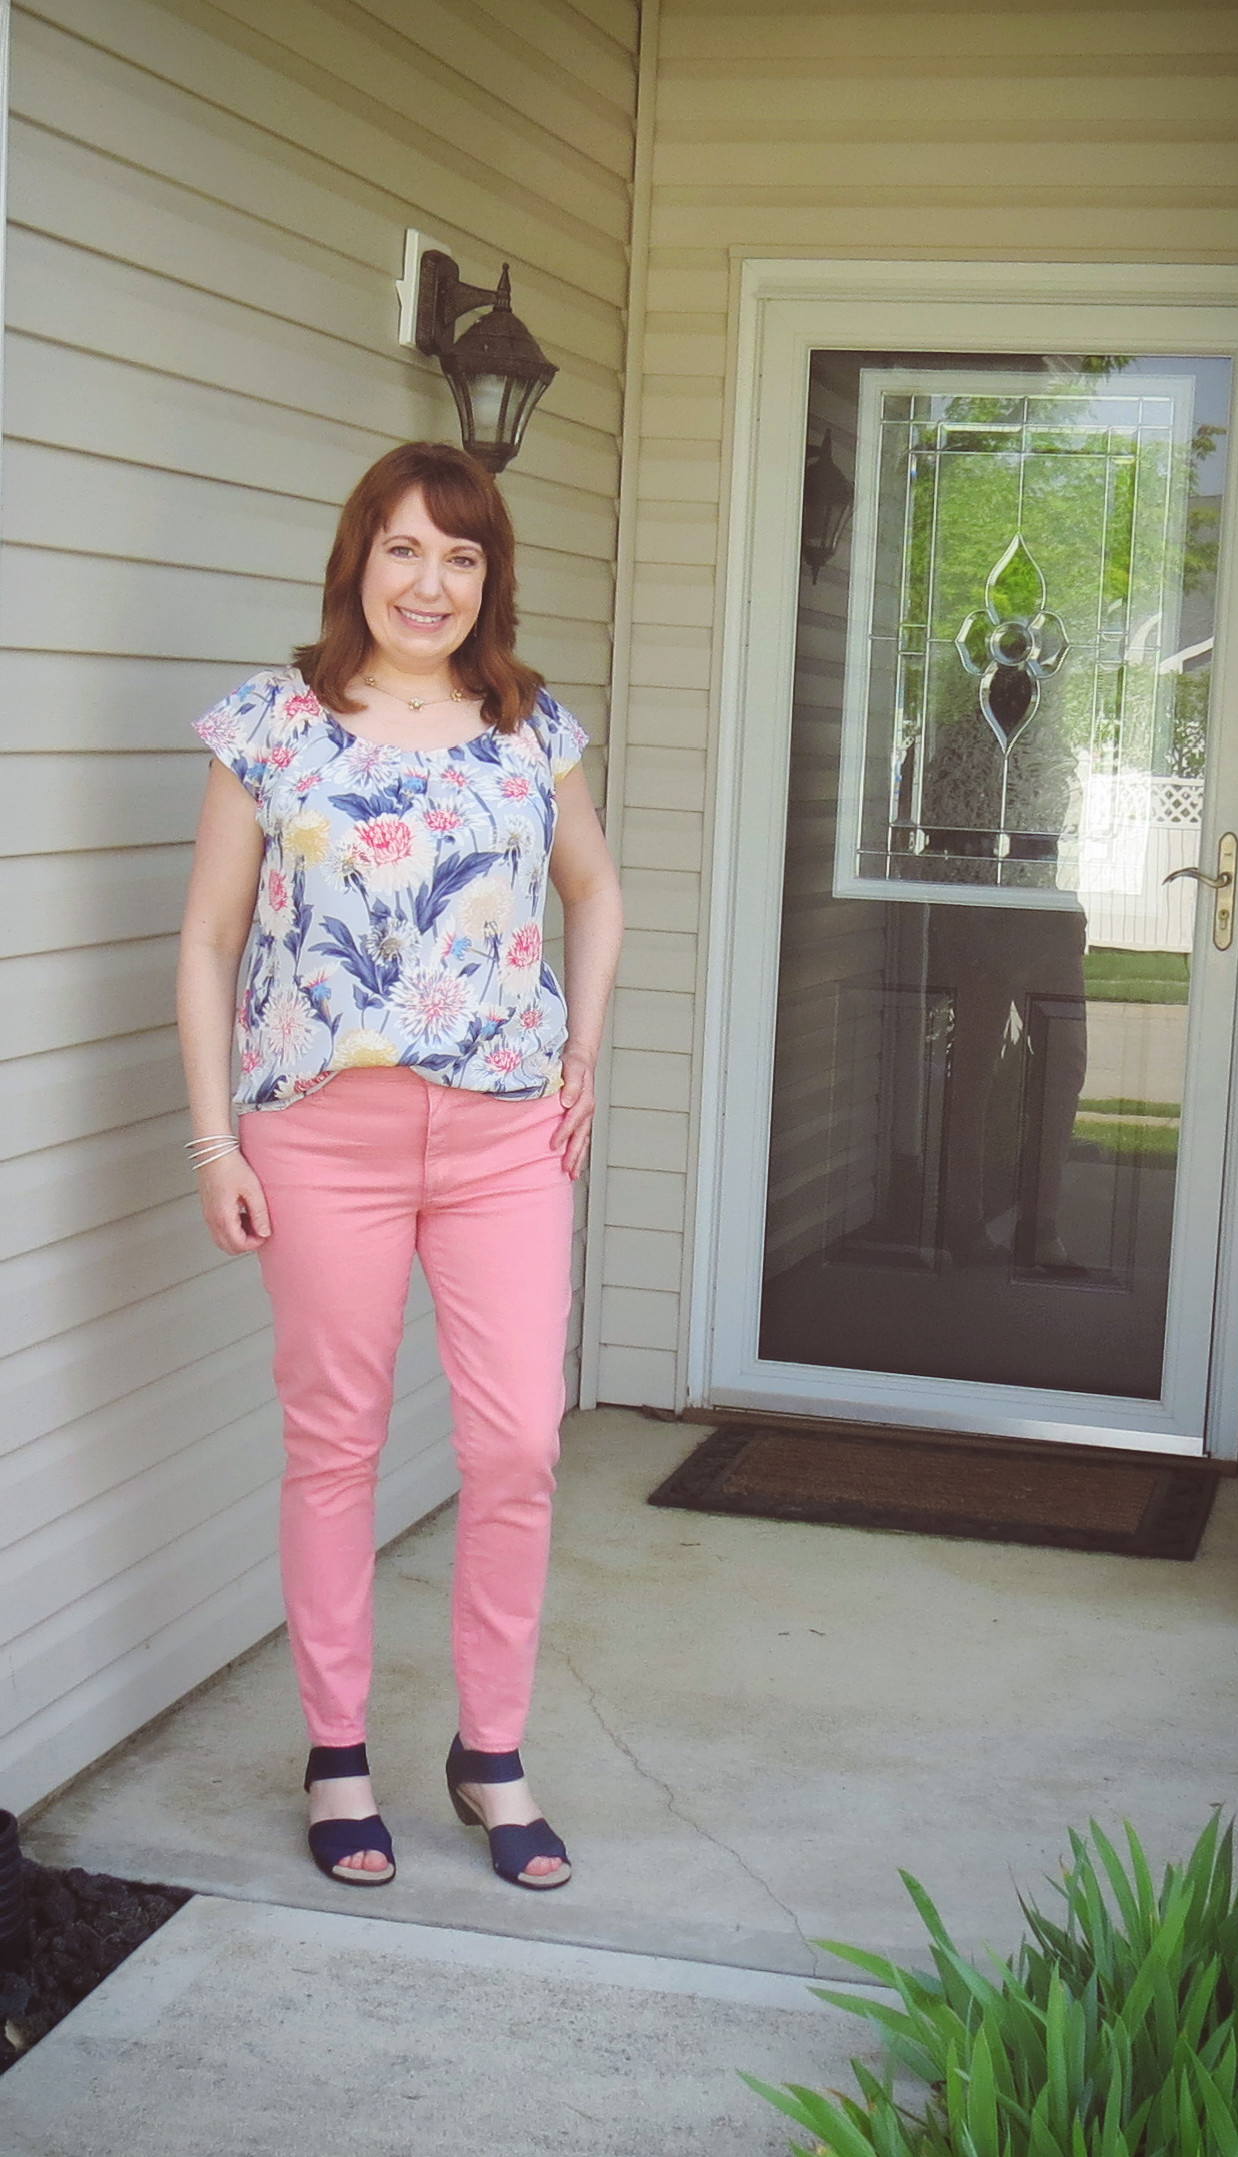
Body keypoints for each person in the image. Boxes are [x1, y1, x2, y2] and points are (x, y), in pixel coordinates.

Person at [176, 440, 623, 1892]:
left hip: (502, 1138)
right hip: (323, 1138)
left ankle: (490, 1751)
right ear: (356, 555)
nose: (430, 582)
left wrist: (585, 1051)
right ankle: (337, 1752)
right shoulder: (274, 724)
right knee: (336, 1446)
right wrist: (213, 1136)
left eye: (463, 555)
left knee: (515, 1444)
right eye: (405, 548)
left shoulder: (527, 725)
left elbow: (595, 887)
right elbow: (206, 940)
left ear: (489, 579)